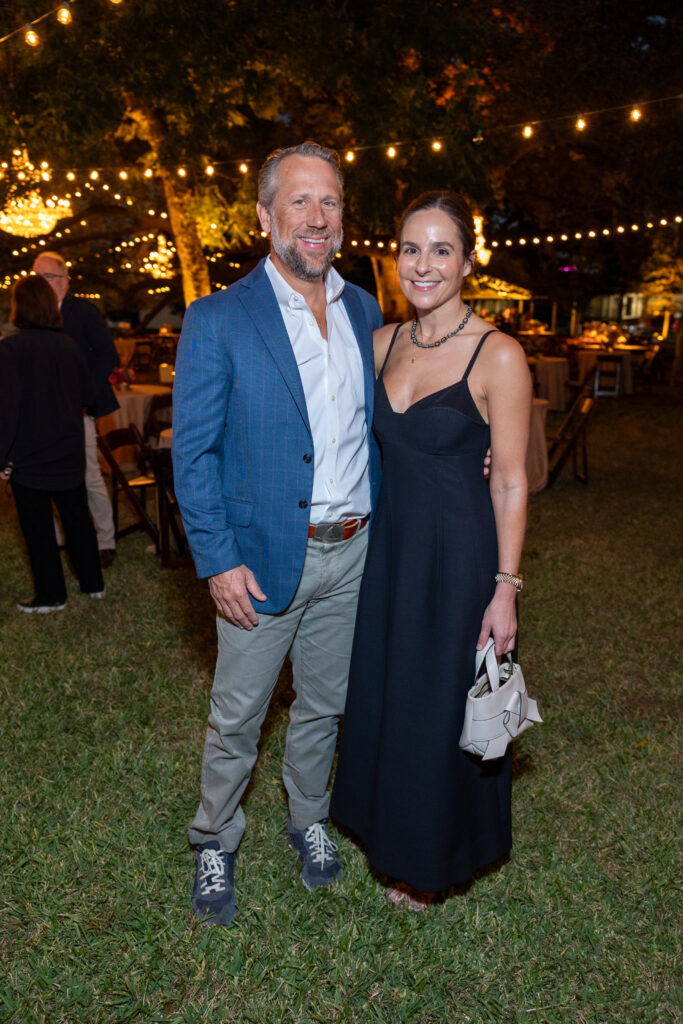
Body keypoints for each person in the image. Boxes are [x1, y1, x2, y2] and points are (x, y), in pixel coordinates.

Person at [172, 141, 383, 926]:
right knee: (238, 715)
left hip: (353, 549)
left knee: (325, 706)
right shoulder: (219, 316)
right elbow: (190, 453)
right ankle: (214, 841)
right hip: (259, 559)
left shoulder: (365, 309)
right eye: (298, 201)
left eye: (328, 201)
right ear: (265, 216)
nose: (316, 217)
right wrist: (217, 558)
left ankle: (309, 822)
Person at [330, 190, 531, 909]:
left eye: (440, 248)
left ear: (467, 262)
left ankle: (432, 859)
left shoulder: (497, 355)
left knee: (439, 709)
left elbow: (509, 479)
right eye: (410, 248)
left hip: (459, 560)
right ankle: (381, 829)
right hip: (389, 555)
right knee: (389, 696)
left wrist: (504, 585)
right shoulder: (379, 342)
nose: (422, 264)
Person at [0, 276, 105, 611]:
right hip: (68, 451)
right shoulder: (69, 345)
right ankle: (93, 585)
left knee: (38, 529)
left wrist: (2, 457)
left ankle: (51, 596)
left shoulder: (10, 349)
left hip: (30, 458)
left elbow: (7, 409)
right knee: (78, 521)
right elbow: (89, 395)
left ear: (20, 306)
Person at [32, 252, 119, 568]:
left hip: (77, 409)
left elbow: (107, 356)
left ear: (64, 278)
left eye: (46, 277)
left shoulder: (82, 311)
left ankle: (105, 540)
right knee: (46, 475)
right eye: (36, 277)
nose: (40, 283)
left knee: (88, 474)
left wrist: (86, 396)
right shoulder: (36, 314)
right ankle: (58, 538)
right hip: (43, 412)